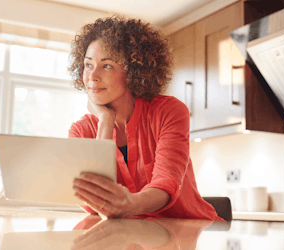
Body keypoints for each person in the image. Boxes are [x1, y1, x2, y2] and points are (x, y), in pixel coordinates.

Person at [68, 16, 223, 221]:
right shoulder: (80, 131)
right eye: (88, 65)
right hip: (133, 236)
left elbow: (165, 184)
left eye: (106, 66)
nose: (92, 76)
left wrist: (128, 205)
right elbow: (89, 200)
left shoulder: (169, 112)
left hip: (191, 232)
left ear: (133, 72)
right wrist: (105, 121)